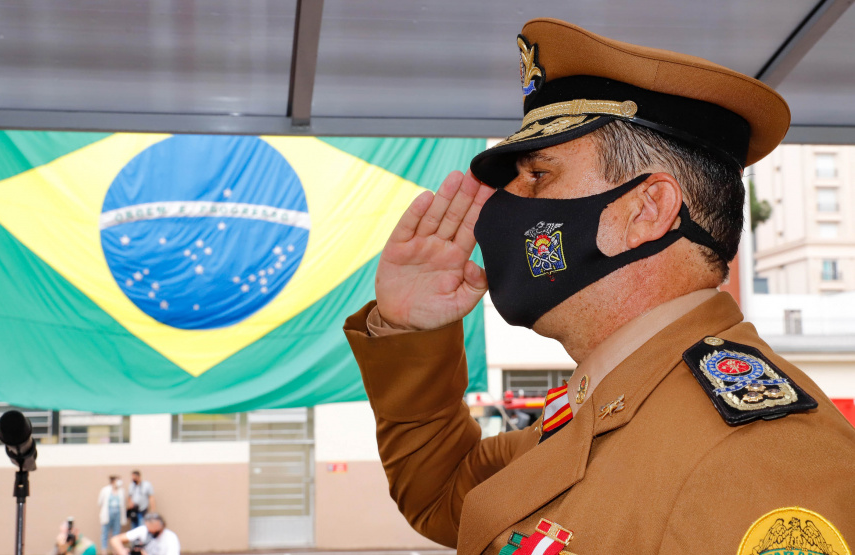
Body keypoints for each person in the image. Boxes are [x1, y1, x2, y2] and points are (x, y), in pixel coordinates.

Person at [343, 17, 855, 555]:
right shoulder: (605, 404)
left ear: (648, 210)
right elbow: (448, 496)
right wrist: (411, 327)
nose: (503, 205)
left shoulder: (760, 462)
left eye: (538, 175)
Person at [109, 513, 179, 555]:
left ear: (162, 526)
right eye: (150, 530)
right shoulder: (144, 530)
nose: (151, 533)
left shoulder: (171, 537)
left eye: (155, 531)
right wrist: (123, 552)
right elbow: (115, 539)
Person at [98, 475, 126, 553]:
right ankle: (104, 551)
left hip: (118, 513)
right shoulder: (105, 490)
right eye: (117, 480)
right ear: (113, 481)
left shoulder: (121, 491)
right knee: (105, 533)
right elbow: (100, 502)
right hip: (107, 513)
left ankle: (115, 551)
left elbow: (122, 504)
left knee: (116, 533)